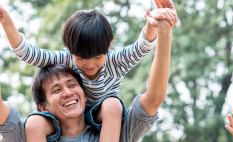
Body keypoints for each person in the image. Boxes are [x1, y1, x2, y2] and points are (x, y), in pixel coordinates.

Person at [0, 0, 177, 141]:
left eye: (72, 84)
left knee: (112, 105)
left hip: (103, 121)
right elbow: (28, 53)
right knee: (34, 122)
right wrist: (6, 21)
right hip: (56, 123)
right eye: (57, 89)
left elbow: (142, 48)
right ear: (69, 50)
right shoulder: (65, 63)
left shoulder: (115, 62)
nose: (90, 64)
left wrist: (157, 24)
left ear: (109, 46)